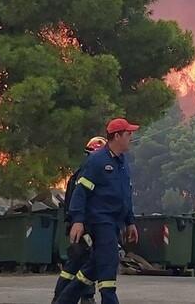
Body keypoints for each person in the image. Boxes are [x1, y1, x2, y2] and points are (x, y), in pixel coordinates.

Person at [56, 118, 140, 304]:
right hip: (101, 221)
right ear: (117, 136)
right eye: (128, 134)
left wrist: (130, 221)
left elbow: (125, 195)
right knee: (109, 264)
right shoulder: (96, 161)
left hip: (116, 222)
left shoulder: (122, 162)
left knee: (93, 267)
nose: (131, 137)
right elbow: (80, 193)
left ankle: (63, 301)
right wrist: (77, 220)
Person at [51, 136, 107, 304]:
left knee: (75, 264)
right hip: (85, 226)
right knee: (86, 263)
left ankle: (60, 298)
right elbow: (81, 200)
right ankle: (85, 297)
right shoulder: (87, 173)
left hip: (80, 224)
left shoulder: (80, 172)